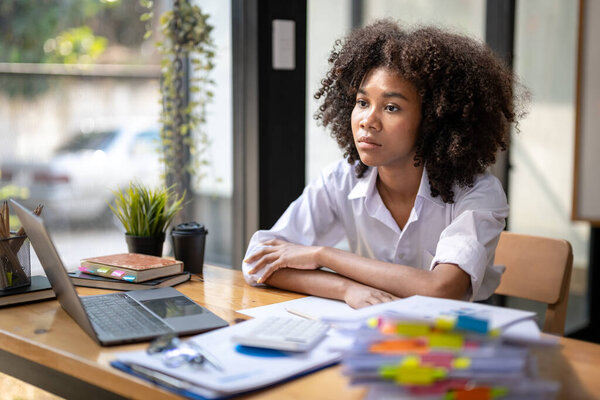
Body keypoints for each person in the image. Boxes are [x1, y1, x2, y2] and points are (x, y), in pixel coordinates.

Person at [242, 20, 526, 308]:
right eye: (362, 102)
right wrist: (344, 289)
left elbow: (442, 289)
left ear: (433, 120)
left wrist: (322, 256)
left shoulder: (477, 193)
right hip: (374, 334)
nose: (368, 120)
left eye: (391, 107)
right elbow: (258, 260)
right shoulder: (343, 178)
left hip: (455, 339)